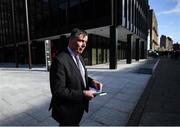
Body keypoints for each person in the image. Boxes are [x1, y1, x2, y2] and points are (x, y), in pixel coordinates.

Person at [49, 28, 103, 126]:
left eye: (85, 42)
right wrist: (83, 94)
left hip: (78, 108)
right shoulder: (59, 60)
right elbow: (58, 91)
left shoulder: (79, 56)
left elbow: (79, 75)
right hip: (67, 112)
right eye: (81, 41)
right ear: (71, 40)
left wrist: (92, 82)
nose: (84, 45)